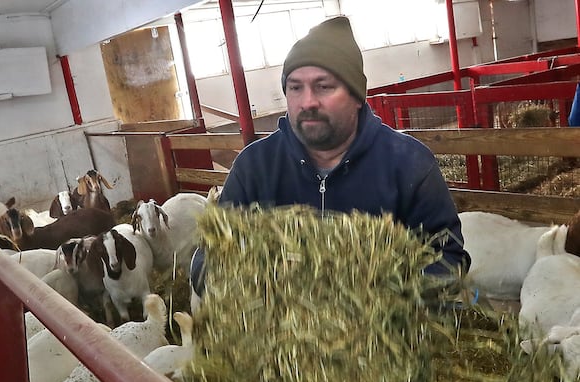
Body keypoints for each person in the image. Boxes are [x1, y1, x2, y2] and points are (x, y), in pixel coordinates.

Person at [190, 16, 470, 301]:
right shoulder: (254, 167)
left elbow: (449, 259)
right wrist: (254, 282)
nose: (308, 101)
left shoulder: (409, 163)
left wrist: (386, 295)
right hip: (281, 337)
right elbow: (207, 259)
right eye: (295, 87)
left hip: (381, 336)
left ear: (357, 96)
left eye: (324, 86)